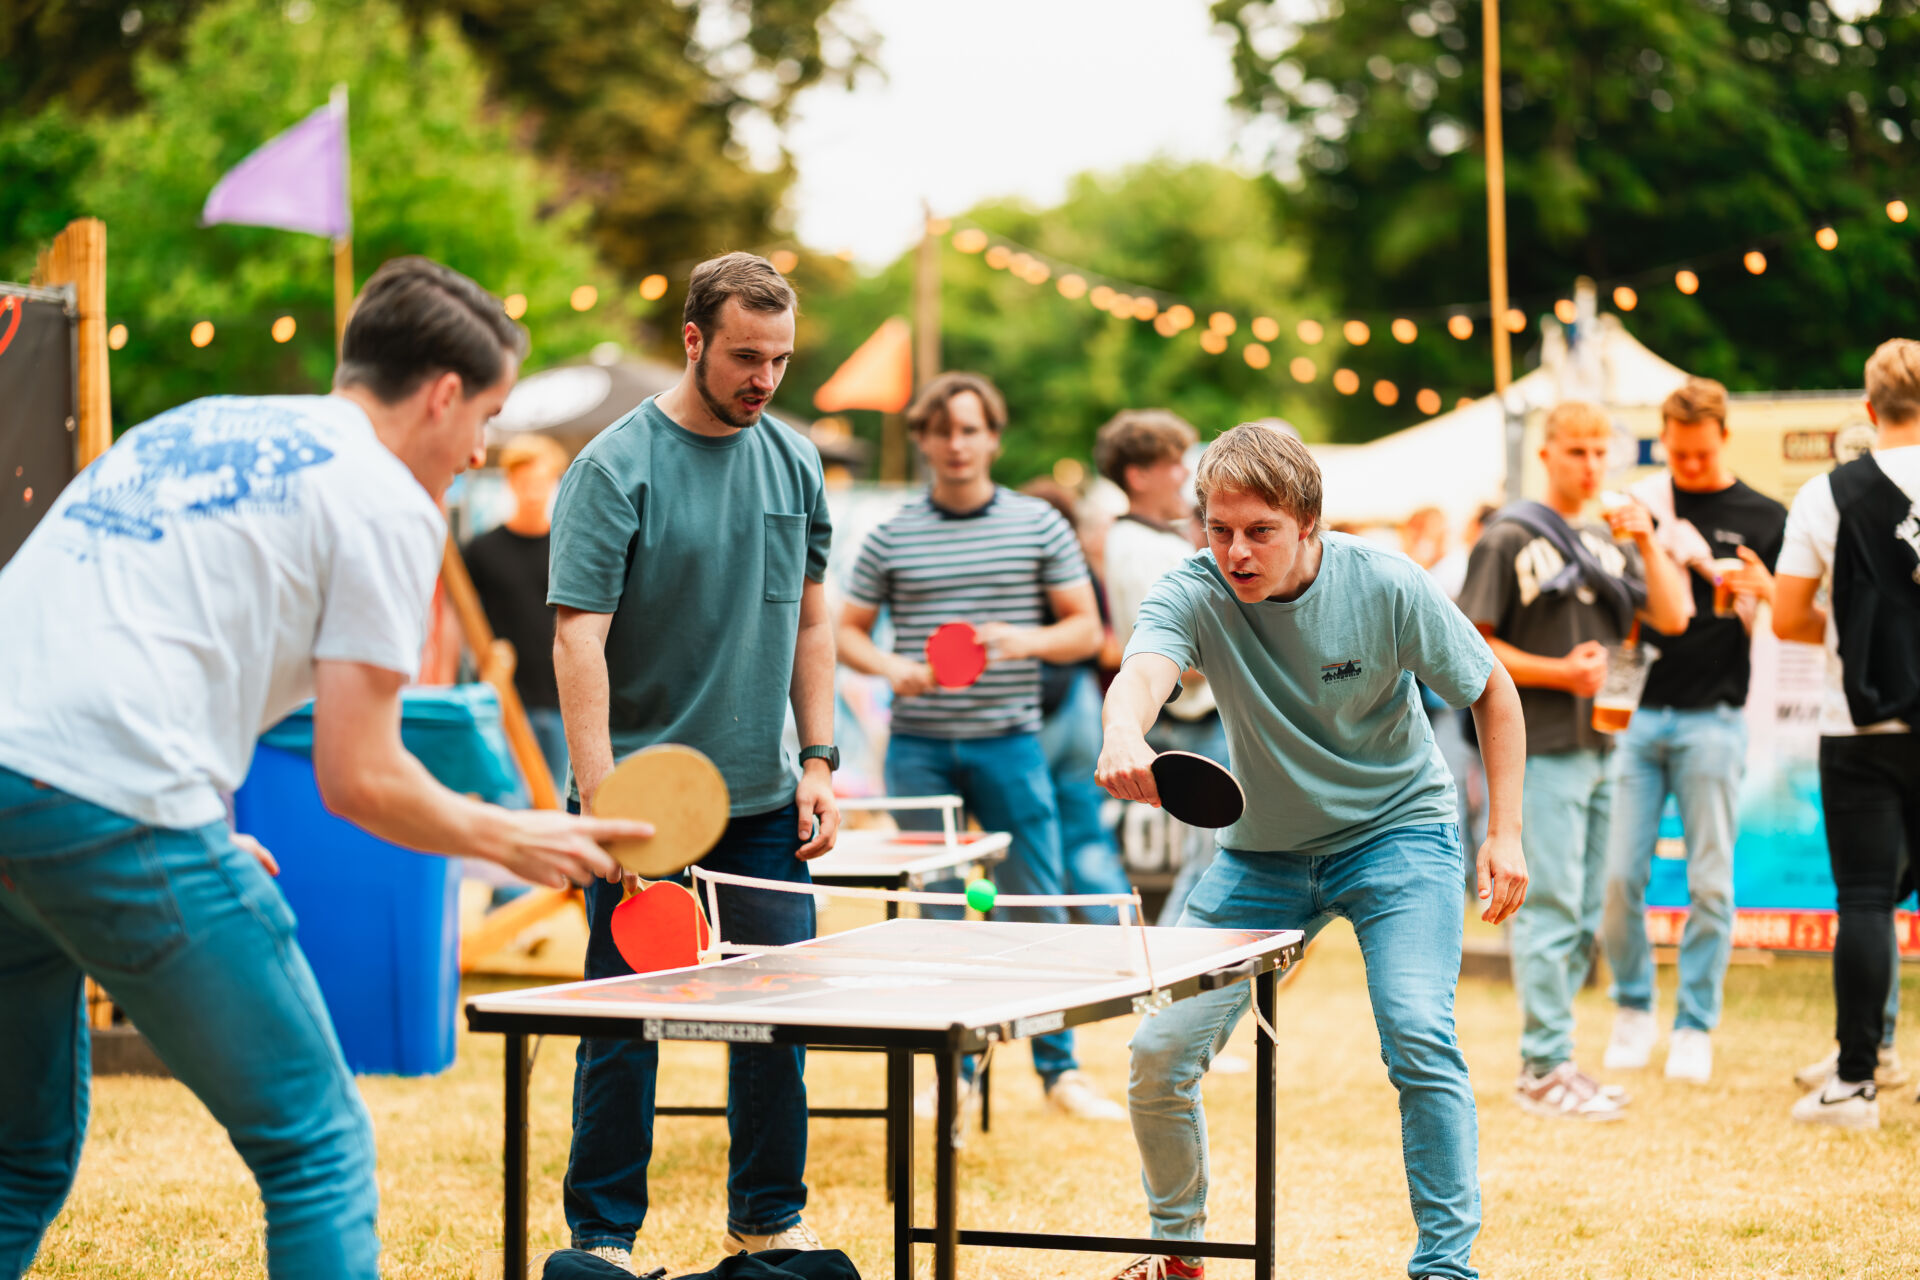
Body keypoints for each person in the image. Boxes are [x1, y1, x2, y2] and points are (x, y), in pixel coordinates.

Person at [0, 257, 641, 1279]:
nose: (480, 448)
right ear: (441, 395)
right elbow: (361, 774)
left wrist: (193, 823)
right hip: (110, 804)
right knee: (317, 1144)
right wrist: (516, 832)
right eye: (485, 415)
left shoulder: (192, 425)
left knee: (16, 1157)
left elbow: (139, 631)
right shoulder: (387, 500)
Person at [1097, 422, 1529, 1280]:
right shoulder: (1193, 587)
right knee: (1157, 1055)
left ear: (1308, 525)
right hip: (1261, 857)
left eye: (1259, 531)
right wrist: (1121, 730)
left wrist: (1505, 832)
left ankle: (1445, 1268)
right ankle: (1177, 1254)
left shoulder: (1388, 584)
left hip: (1397, 838)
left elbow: (1494, 694)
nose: (1235, 552)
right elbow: (1144, 669)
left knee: (1416, 1031)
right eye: (1219, 530)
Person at [549, 252, 841, 1266]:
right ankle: (603, 1235)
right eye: (746, 357)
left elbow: (812, 622)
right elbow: (576, 636)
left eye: (782, 359)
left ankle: (766, 1214)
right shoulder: (612, 465)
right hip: (641, 800)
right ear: (693, 340)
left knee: (773, 1022)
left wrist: (820, 755)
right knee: (627, 1025)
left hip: (764, 796)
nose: (765, 378)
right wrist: (600, 800)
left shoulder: (796, 460)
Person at [835, 371, 1123, 1121]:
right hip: (920, 751)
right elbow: (844, 630)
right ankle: (952, 1073)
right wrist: (893, 667)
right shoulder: (893, 531)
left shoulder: (1038, 523)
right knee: (935, 910)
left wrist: (1019, 639)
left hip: (1010, 743)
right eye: (942, 430)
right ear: (924, 440)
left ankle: (1060, 1071)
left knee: (1036, 903)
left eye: (970, 429)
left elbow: (1086, 631)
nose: (957, 443)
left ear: (993, 437)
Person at [1457, 400, 1689, 1120]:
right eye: (1578, 452)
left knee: (1589, 907)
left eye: (1601, 452)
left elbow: (1675, 618)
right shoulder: (1511, 535)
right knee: (1552, 907)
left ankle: (1558, 1061)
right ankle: (1543, 1065)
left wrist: (1647, 541)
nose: (1591, 466)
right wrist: (1560, 673)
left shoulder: (1613, 535)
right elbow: (1466, 644)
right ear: (1548, 454)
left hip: (1604, 741)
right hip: (1541, 745)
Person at [1596, 378, 1785, 1084]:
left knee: (1710, 881)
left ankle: (1695, 1024)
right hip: (1640, 713)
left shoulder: (1766, 516)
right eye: (1678, 455)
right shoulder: (1641, 504)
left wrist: (1768, 592)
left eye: (1701, 454)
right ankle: (1633, 1008)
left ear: (1724, 438)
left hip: (1717, 717)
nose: (1690, 468)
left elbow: (1799, 610)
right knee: (1619, 878)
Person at [1777, 338, 1920, 1130]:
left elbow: (1790, 615)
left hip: (1860, 722)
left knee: (1866, 900)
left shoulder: (1826, 495)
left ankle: (1856, 1084)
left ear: (1869, 411)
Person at [1093, 409, 1229, 924]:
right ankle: (1174, 971)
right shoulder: (1143, 548)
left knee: (1209, 861)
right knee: (1210, 863)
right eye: (1173, 462)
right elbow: (1175, 653)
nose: (1184, 473)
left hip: (1188, 719)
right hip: (1197, 719)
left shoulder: (1142, 538)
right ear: (1138, 475)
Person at [1021, 477, 1133, 924]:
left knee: (1031, 833)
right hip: (1081, 705)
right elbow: (1102, 637)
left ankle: (1043, 937)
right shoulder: (1079, 568)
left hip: (1032, 712)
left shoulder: (1016, 567)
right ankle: (1118, 930)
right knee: (1087, 830)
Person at [465, 432, 572, 786]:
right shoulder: (482, 550)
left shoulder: (569, 548)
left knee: (558, 797)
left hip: (564, 697)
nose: (533, 491)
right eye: (525, 482)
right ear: (510, 482)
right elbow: (460, 619)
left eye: (541, 482)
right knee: (508, 797)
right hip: (505, 696)